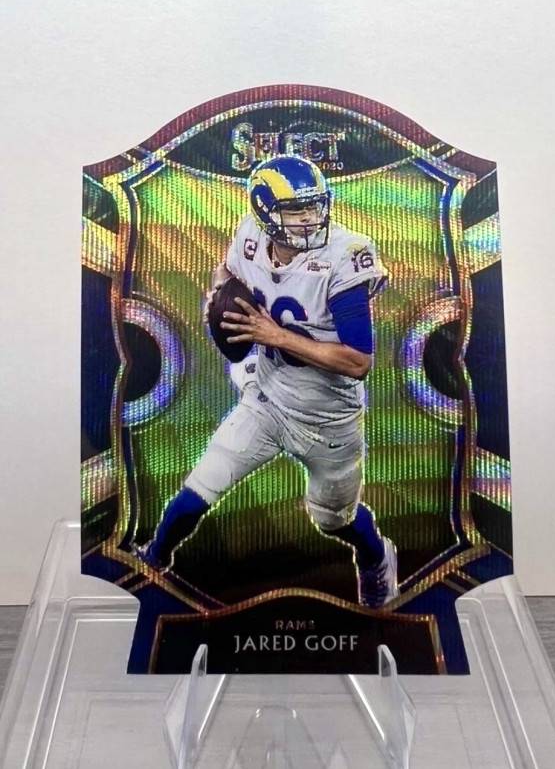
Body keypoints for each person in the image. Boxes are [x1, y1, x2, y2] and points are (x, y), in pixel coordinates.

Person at [133, 155, 398, 608]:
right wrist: (218, 298)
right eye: (295, 210)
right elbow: (226, 274)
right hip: (269, 398)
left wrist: (273, 335)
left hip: (329, 420)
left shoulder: (345, 256)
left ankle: (376, 559)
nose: (309, 219)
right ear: (265, 212)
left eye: (314, 206)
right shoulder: (251, 236)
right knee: (201, 485)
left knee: (333, 520)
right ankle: (152, 561)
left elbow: (357, 361)